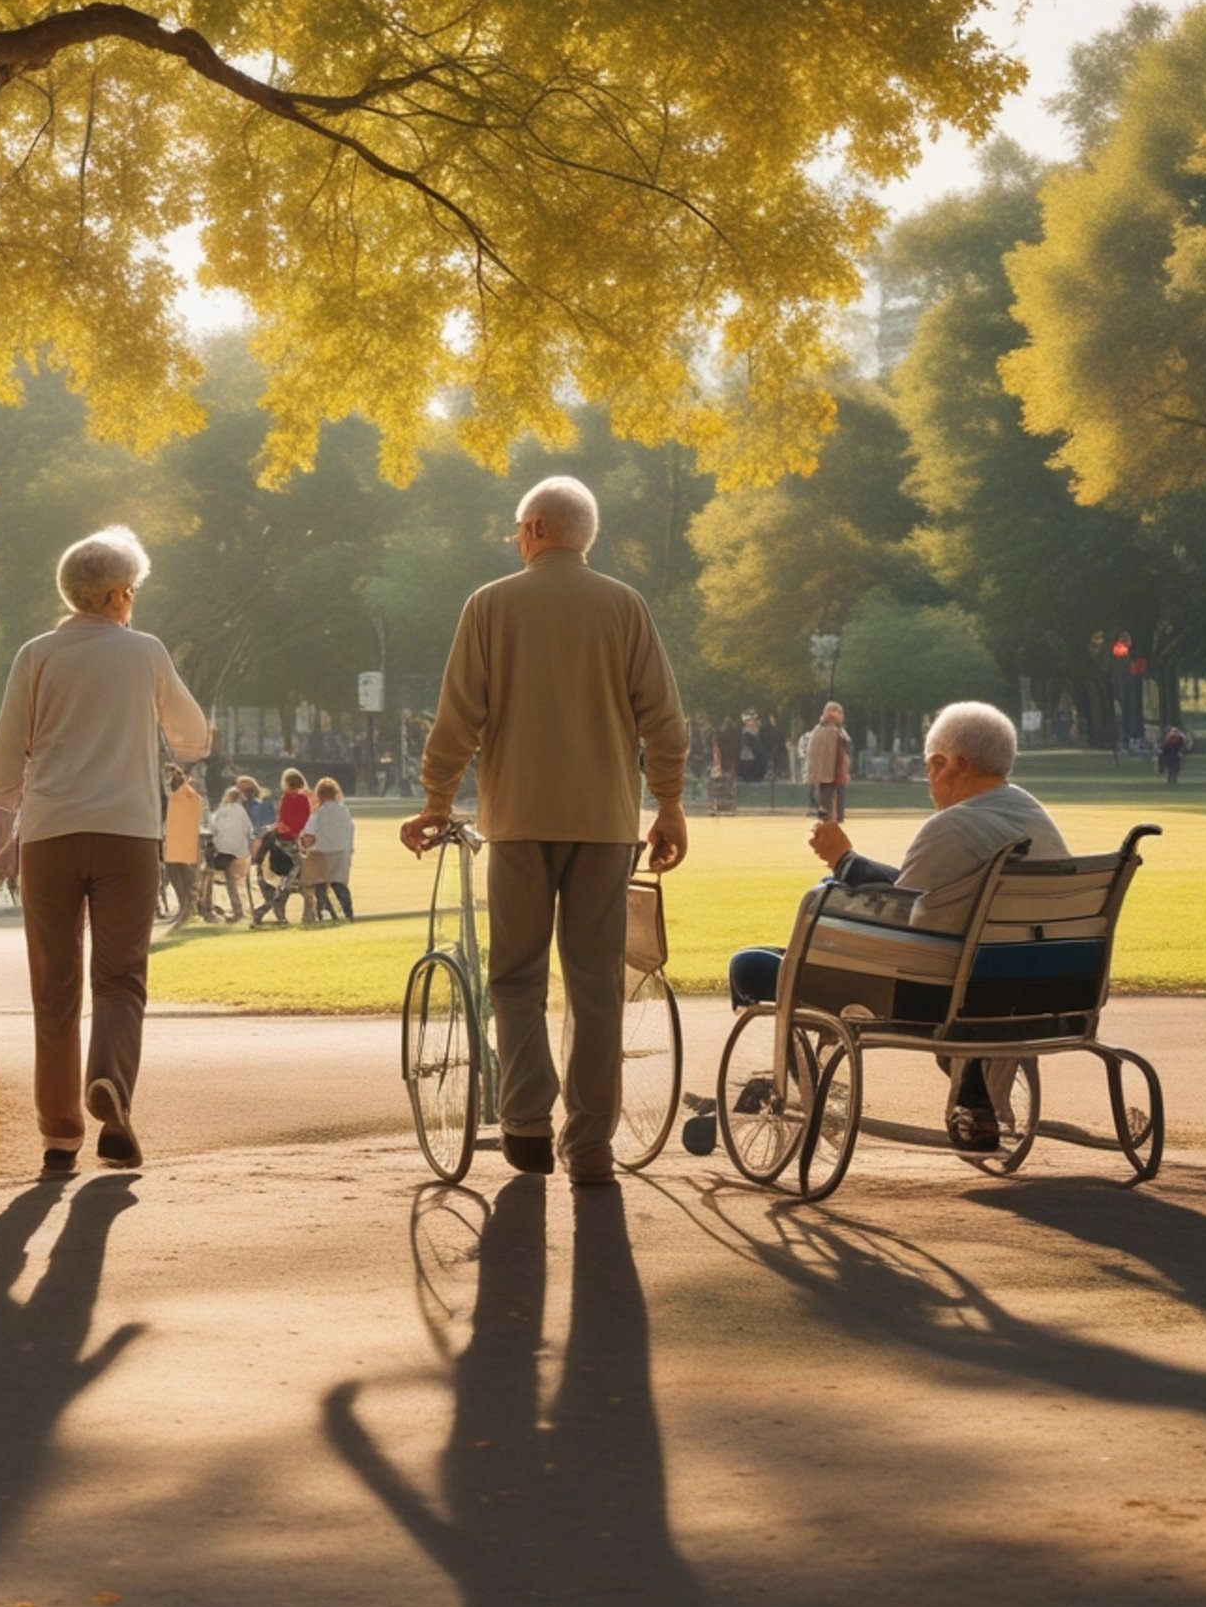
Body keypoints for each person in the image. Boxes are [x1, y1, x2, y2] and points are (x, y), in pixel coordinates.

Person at [401, 476, 689, 1186]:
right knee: (595, 985)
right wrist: (671, 802)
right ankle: (590, 1143)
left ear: (533, 529)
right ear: (582, 534)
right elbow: (663, 716)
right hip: (606, 822)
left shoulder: (491, 605)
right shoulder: (625, 606)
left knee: (516, 974)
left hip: (521, 818)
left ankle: (527, 1120)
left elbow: (458, 717)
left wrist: (437, 800)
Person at [727, 701, 1068, 1152]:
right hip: (1040, 988)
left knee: (751, 966)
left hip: (938, 996)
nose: (929, 781)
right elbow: (924, 892)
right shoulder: (1030, 815)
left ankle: (804, 1087)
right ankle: (973, 1091)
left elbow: (895, 913)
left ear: (955, 764)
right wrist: (849, 864)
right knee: (804, 925)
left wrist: (840, 864)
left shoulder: (953, 826)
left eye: (932, 768)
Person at [0, 524, 208, 1176]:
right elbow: (193, 736)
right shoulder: (145, 653)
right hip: (127, 834)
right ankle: (109, 1082)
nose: (133, 600)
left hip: (52, 833)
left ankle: (60, 1135)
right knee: (120, 980)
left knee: (54, 990)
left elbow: (5, 761)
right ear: (116, 595)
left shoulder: (35, 655)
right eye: (132, 589)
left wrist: (4, 821)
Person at [301, 776, 355, 922]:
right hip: (342, 851)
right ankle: (347, 914)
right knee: (339, 884)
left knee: (321, 885)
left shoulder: (319, 812)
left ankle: (323, 914)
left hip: (321, 852)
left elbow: (309, 835)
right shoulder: (344, 810)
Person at [162, 764, 205, 928]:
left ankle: (188, 910)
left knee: (187, 878)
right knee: (176, 876)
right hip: (174, 843)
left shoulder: (187, 794)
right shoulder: (174, 795)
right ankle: (183, 908)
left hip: (184, 843)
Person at [208, 786, 253, 921]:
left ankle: (236, 908)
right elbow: (249, 830)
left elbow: (213, 828)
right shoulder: (241, 812)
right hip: (240, 851)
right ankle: (241, 908)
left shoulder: (221, 812)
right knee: (241, 880)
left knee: (229, 879)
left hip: (224, 850)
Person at [805, 701, 851, 822]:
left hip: (832, 776)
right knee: (830, 812)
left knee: (830, 810)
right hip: (831, 777)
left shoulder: (822, 731)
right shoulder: (831, 732)